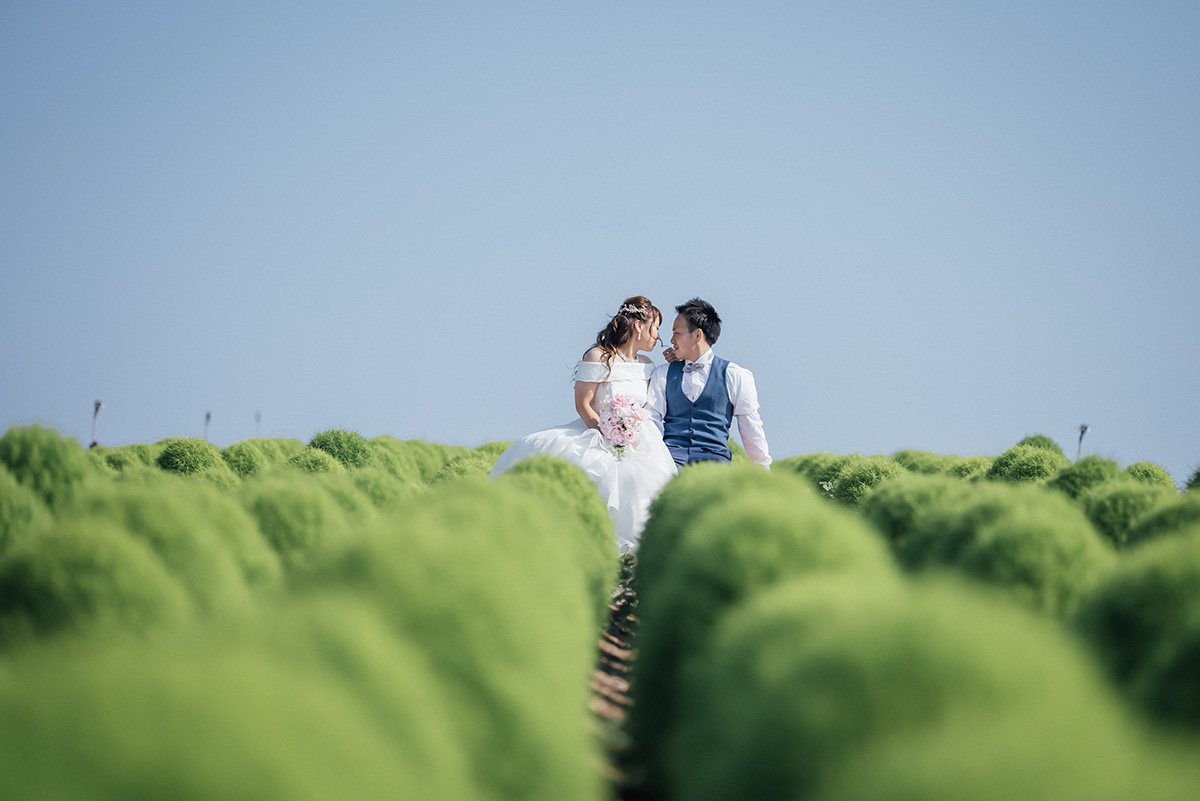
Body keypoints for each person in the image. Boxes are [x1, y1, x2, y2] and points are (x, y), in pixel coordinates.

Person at [490, 296, 679, 553]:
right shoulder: (599, 356)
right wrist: (607, 432)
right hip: (596, 432)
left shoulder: (647, 366)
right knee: (601, 477)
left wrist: (674, 362)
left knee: (643, 483)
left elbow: (649, 404)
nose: (658, 336)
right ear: (639, 327)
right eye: (656, 327)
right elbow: (584, 404)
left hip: (637, 439)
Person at [646, 298, 771, 468]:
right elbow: (651, 420)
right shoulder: (662, 374)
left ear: (697, 335)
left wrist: (763, 469)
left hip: (715, 461)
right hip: (670, 459)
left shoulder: (735, 375)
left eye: (677, 333)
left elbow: (751, 427)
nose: (671, 340)